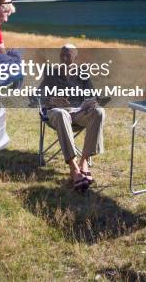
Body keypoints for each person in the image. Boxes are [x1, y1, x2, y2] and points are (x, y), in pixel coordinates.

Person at [39, 43, 105, 191]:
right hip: (56, 113)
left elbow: (92, 95)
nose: (64, 57)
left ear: (76, 56)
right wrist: (51, 100)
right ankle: (74, 168)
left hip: (77, 113)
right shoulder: (52, 73)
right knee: (62, 113)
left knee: (99, 112)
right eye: (62, 54)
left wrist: (91, 103)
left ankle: (84, 161)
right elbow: (37, 96)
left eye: (68, 54)